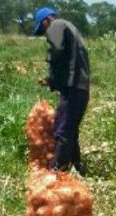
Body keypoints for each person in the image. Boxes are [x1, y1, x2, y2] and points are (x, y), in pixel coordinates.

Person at [33, 7, 90, 175]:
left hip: (73, 87)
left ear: (45, 21)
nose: (45, 34)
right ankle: (77, 167)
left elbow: (57, 51)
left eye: (42, 30)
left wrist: (51, 72)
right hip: (80, 87)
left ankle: (57, 172)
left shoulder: (56, 25)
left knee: (63, 130)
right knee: (70, 130)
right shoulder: (69, 27)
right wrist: (53, 81)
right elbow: (68, 59)